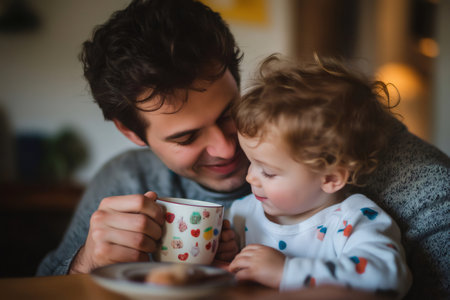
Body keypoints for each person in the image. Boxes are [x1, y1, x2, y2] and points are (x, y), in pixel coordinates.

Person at [36, 0, 449, 299]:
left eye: (229, 113)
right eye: (185, 137)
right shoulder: (127, 180)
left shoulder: (365, 160)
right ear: (132, 133)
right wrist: (85, 264)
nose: (225, 148)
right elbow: (40, 286)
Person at [224, 54, 412, 297]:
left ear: (331, 179)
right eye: (251, 163)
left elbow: (388, 278)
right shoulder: (241, 213)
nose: (250, 178)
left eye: (268, 172)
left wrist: (287, 272)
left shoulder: (354, 220)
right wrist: (222, 250)